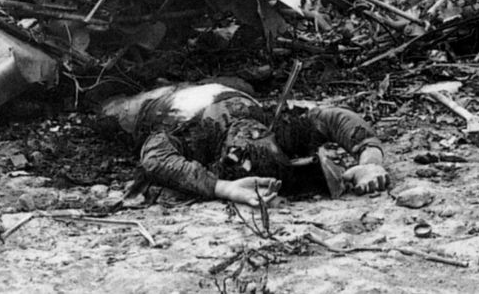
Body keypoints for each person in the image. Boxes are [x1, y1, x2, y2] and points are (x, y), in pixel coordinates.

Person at [101, 82, 390, 207]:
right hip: (208, 88)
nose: (246, 137)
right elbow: (332, 117)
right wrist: (370, 158)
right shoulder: (277, 126)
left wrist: (222, 188)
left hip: (149, 108)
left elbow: (155, 158)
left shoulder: (191, 139)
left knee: (108, 112)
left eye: (239, 153)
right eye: (253, 138)